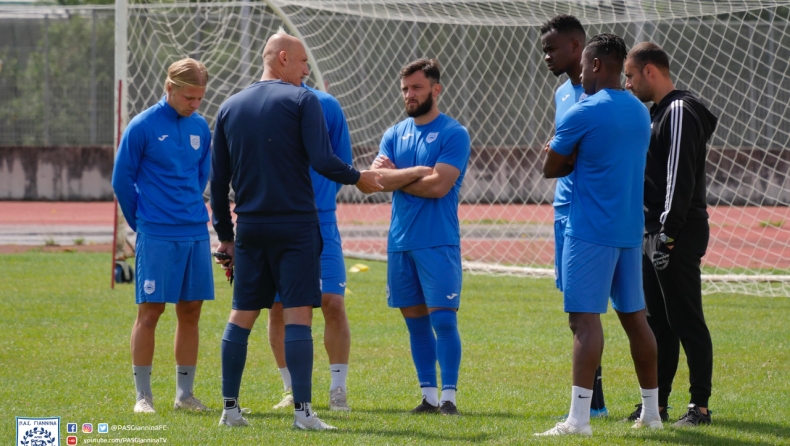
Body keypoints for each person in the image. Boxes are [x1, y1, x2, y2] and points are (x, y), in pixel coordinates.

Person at [210, 29, 382, 431]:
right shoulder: (303, 100)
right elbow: (324, 160)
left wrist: (226, 236)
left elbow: (217, 184)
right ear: (283, 57)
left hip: (250, 228)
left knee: (241, 316)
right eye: (304, 62)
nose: (307, 71)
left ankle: (230, 409)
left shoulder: (229, 107)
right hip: (296, 227)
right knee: (299, 317)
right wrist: (360, 177)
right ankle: (303, 413)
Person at [535, 34, 660, 436]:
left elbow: (551, 168)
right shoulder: (640, 111)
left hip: (589, 231)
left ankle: (579, 420)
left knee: (584, 322)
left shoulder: (583, 111)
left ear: (593, 65)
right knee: (636, 321)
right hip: (628, 231)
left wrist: (564, 149)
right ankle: (653, 414)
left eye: (586, 67)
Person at [111, 58, 212, 414]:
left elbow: (201, 177)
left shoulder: (201, 127)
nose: (195, 104)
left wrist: (185, 208)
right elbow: (121, 180)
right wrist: (143, 220)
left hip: (195, 232)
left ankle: (184, 395)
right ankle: (143, 397)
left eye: (200, 98)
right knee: (150, 311)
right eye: (189, 97)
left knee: (191, 311)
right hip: (156, 234)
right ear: (169, 89)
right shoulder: (142, 126)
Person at [624, 42, 718, 427]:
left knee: (685, 318)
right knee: (657, 322)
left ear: (650, 71)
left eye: (630, 76)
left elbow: (678, 178)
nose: (627, 84)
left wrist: (667, 234)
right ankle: (656, 404)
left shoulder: (679, 110)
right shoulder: (655, 113)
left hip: (674, 231)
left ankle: (700, 407)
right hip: (652, 231)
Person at [371, 58, 471, 416]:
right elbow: (375, 180)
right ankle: (428, 396)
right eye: (405, 89)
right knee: (414, 322)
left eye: (416, 87)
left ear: (435, 89)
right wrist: (415, 172)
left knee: (443, 320)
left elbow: (440, 186)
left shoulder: (453, 133)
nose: (409, 95)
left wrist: (399, 176)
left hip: (438, 241)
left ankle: (449, 398)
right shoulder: (394, 134)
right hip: (400, 243)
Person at [268, 82, 354, 413]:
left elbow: (340, 163)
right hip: (275, 222)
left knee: (332, 301)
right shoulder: (262, 105)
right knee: (278, 308)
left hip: (320, 220)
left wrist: (316, 204)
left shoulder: (326, 104)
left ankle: (337, 388)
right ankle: (291, 389)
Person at [539, 13, 607, 419]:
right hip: (563, 207)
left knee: (613, 312)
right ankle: (595, 401)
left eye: (552, 49)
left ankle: (650, 401)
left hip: (594, 212)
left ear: (577, 47)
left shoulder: (602, 94)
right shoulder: (563, 93)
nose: (546, 57)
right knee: (574, 313)